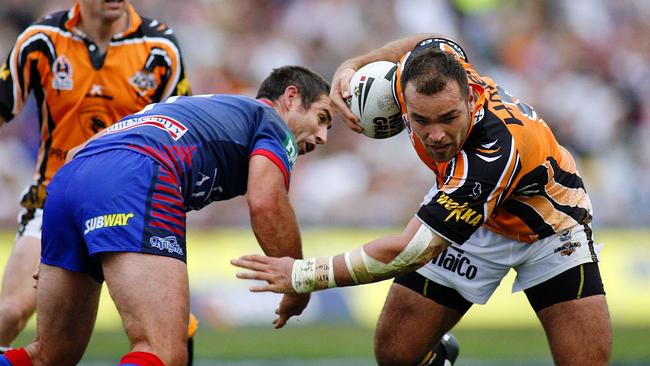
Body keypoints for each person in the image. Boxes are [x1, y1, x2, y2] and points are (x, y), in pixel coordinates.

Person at [232, 34, 612, 366]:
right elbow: (428, 40)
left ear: (470, 96)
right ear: (404, 100)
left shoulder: (495, 150)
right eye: (420, 121)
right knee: (396, 354)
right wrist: (354, 65)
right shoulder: (413, 76)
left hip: (549, 228)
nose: (435, 135)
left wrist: (301, 275)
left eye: (448, 118)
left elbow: (410, 251)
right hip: (471, 218)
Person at [0, 65, 332, 366]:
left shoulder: (198, 107)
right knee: (162, 351)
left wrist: (64, 246)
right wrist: (298, 280)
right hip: (135, 176)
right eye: (321, 118)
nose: (322, 137)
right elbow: (266, 202)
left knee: (49, 355)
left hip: (69, 183)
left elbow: (76, 152)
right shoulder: (272, 123)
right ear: (290, 97)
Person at [0, 0, 193, 354]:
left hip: (133, 205)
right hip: (53, 200)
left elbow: (182, 129)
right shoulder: (41, 40)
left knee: (170, 333)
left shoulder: (161, 48)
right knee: (11, 314)